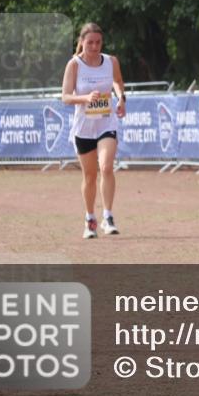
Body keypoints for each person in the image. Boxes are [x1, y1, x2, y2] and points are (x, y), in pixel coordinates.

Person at [61, 22, 126, 239]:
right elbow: (65, 97)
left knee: (106, 167)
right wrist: (85, 98)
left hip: (106, 123)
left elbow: (118, 82)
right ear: (82, 42)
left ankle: (108, 217)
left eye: (98, 42)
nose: (95, 46)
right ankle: (90, 219)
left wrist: (121, 98)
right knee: (89, 176)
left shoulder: (111, 61)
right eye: (90, 42)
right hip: (84, 128)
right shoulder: (74, 65)